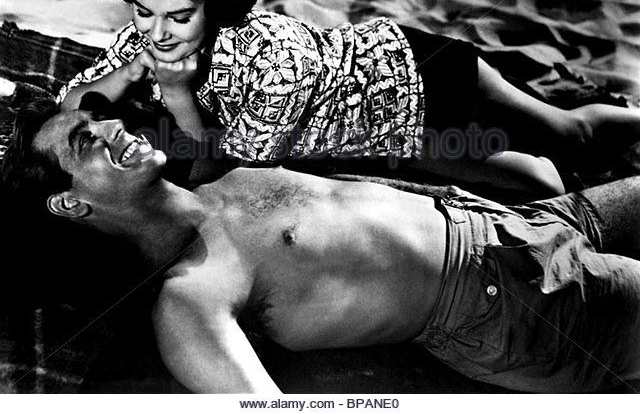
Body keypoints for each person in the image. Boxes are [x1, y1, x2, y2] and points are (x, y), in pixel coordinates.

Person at [4, 100, 640, 393]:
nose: (113, 125)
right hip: (512, 301)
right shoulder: (187, 300)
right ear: (70, 204)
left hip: (514, 222)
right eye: (85, 140)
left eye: (98, 116)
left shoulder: (220, 177)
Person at [57, 0, 640, 199]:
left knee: (570, 137)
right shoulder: (147, 38)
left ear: (217, 3)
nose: (158, 33)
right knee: (539, 185)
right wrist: (126, 72)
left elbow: (223, 172)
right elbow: (70, 102)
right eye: (143, 11)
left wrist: (178, 92)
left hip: (418, 76)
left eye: (180, 16)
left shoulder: (274, 60)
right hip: (387, 142)